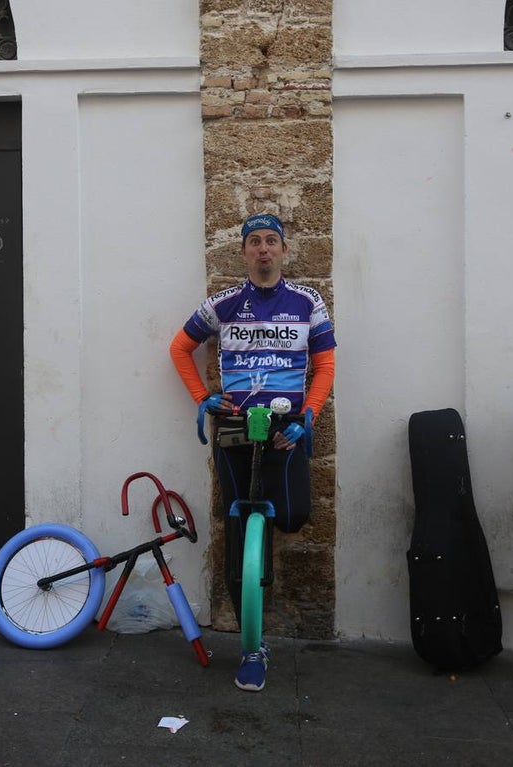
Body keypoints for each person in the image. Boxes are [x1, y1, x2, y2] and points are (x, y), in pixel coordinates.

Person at [169, 213, 336, 692]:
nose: (263, 249)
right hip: (234, 430)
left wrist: (309, 416)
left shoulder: (308, 303)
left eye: (271, 241)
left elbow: (324, 366)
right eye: (254, 242)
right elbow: (180, 349)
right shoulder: (223, 304)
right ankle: (251, 647)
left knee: (295, 514)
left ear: (284, 251)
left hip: (286, 431)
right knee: (237, 526)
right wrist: (203, 399)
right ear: (243, 253)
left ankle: (260, 569)